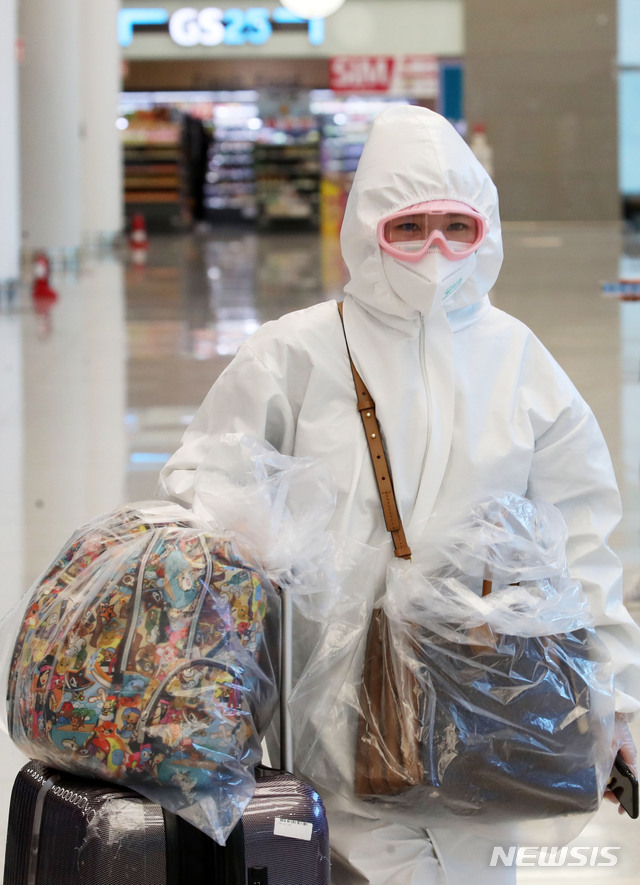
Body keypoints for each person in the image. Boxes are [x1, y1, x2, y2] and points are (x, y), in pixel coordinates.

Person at [158, 105, 640, 884]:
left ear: (487, 229)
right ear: (367, 229)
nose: (436, 251)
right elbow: (200, 481)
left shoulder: (520, 362)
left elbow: (582, 542)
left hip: (490, 714)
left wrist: (614, 701)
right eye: (409, 229)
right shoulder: (297, 351)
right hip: (331, 704)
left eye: (458, 226)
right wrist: (255, 527)